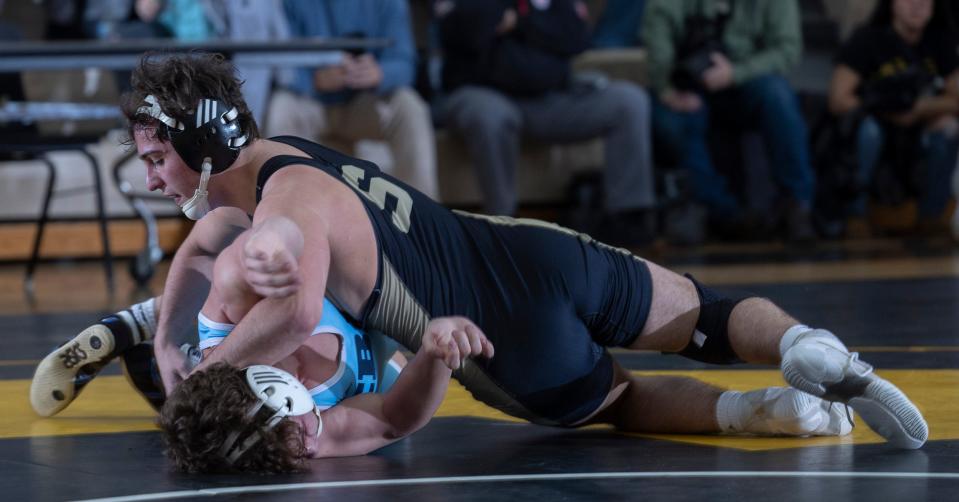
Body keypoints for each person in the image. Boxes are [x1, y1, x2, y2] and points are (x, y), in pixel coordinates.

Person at [31, 54, 927, 466]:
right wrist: (173, 336)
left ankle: (769, 412)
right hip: (529, 249)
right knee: (707, 312)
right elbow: (207, 243)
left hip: (496, 333)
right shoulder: (283, 159)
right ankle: (809, 348)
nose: (150, 175)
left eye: (156, 156)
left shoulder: (279, 215)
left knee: (616, 401)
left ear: (200, 141)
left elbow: (294, 309)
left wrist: (200, 374)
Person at [435, 0, 657, 246]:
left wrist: (520, 22)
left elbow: (576, 37)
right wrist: (536, 30)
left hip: (550, 97)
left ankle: (627, 219)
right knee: (490, 115)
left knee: (629, 101)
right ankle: (501, 223)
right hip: (485, 93)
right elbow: (466, 31)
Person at [642, 0, 817, 242]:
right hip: (688, 82)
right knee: (674, 121)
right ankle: (726, 212)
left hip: (747, 77)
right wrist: (667, 90)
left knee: (778, 96)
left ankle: (797, 203)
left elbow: (788, 49)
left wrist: (735, 74)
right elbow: (657, 38)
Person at [265, 0, 439, 200]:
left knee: (410, 107)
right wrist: (314, 80)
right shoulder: (289, 3)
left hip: (363, 101)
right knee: (281, 108)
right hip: (311, 102)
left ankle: (420, 217)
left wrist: (379, 73)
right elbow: (277, 58)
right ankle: (286, 210)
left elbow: (404, 61)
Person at [827, 0, 959, 236]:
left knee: (948, 127)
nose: (917, 4)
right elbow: (838, 99)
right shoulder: (868, 39)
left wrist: (917, 109)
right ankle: (855, 215)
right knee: (868, 131)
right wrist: (889, 111)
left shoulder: (939, 41)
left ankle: (931, 217)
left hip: (916, 131)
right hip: (876, 127)